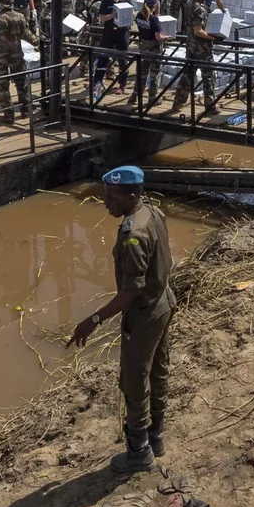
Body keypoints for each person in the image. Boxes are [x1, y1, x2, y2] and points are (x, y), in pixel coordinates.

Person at [70, 166, 175, 472]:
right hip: (164, 301)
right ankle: (156, 436)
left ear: (131, 196)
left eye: (112, 198)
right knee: (158, 370)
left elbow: (131, 291)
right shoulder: (152, 212)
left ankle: (139, 451)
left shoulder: (133, 235)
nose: (106, 203)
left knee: (134, 380)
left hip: (144, 313)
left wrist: (94, 319)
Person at [168, 0, 220, 115]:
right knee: (209, 77)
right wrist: (213, 38)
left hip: (191, 45)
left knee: (187, 76)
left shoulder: (190, 2)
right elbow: (198, 31)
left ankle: (178, 102)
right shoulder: (199, 8)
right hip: (202, 49)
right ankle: (210, 106)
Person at [0, 0, 37, 121]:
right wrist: (37, 41)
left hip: (0, 57)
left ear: (2, 4)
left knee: (3, 87)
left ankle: (9, 115)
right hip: (16, 56)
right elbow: (26, 34)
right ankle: (25, 111)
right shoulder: (20, 16)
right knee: (21, 84)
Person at [134, 0, 166, 101]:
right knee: (154, 75)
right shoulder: (153, 19)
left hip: (143, 48)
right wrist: (166, 37)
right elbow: (158, 37)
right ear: (154, 6)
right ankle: (152, 98)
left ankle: (135, 95)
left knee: (141, 74)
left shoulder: (139, 15)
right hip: (154, 50)